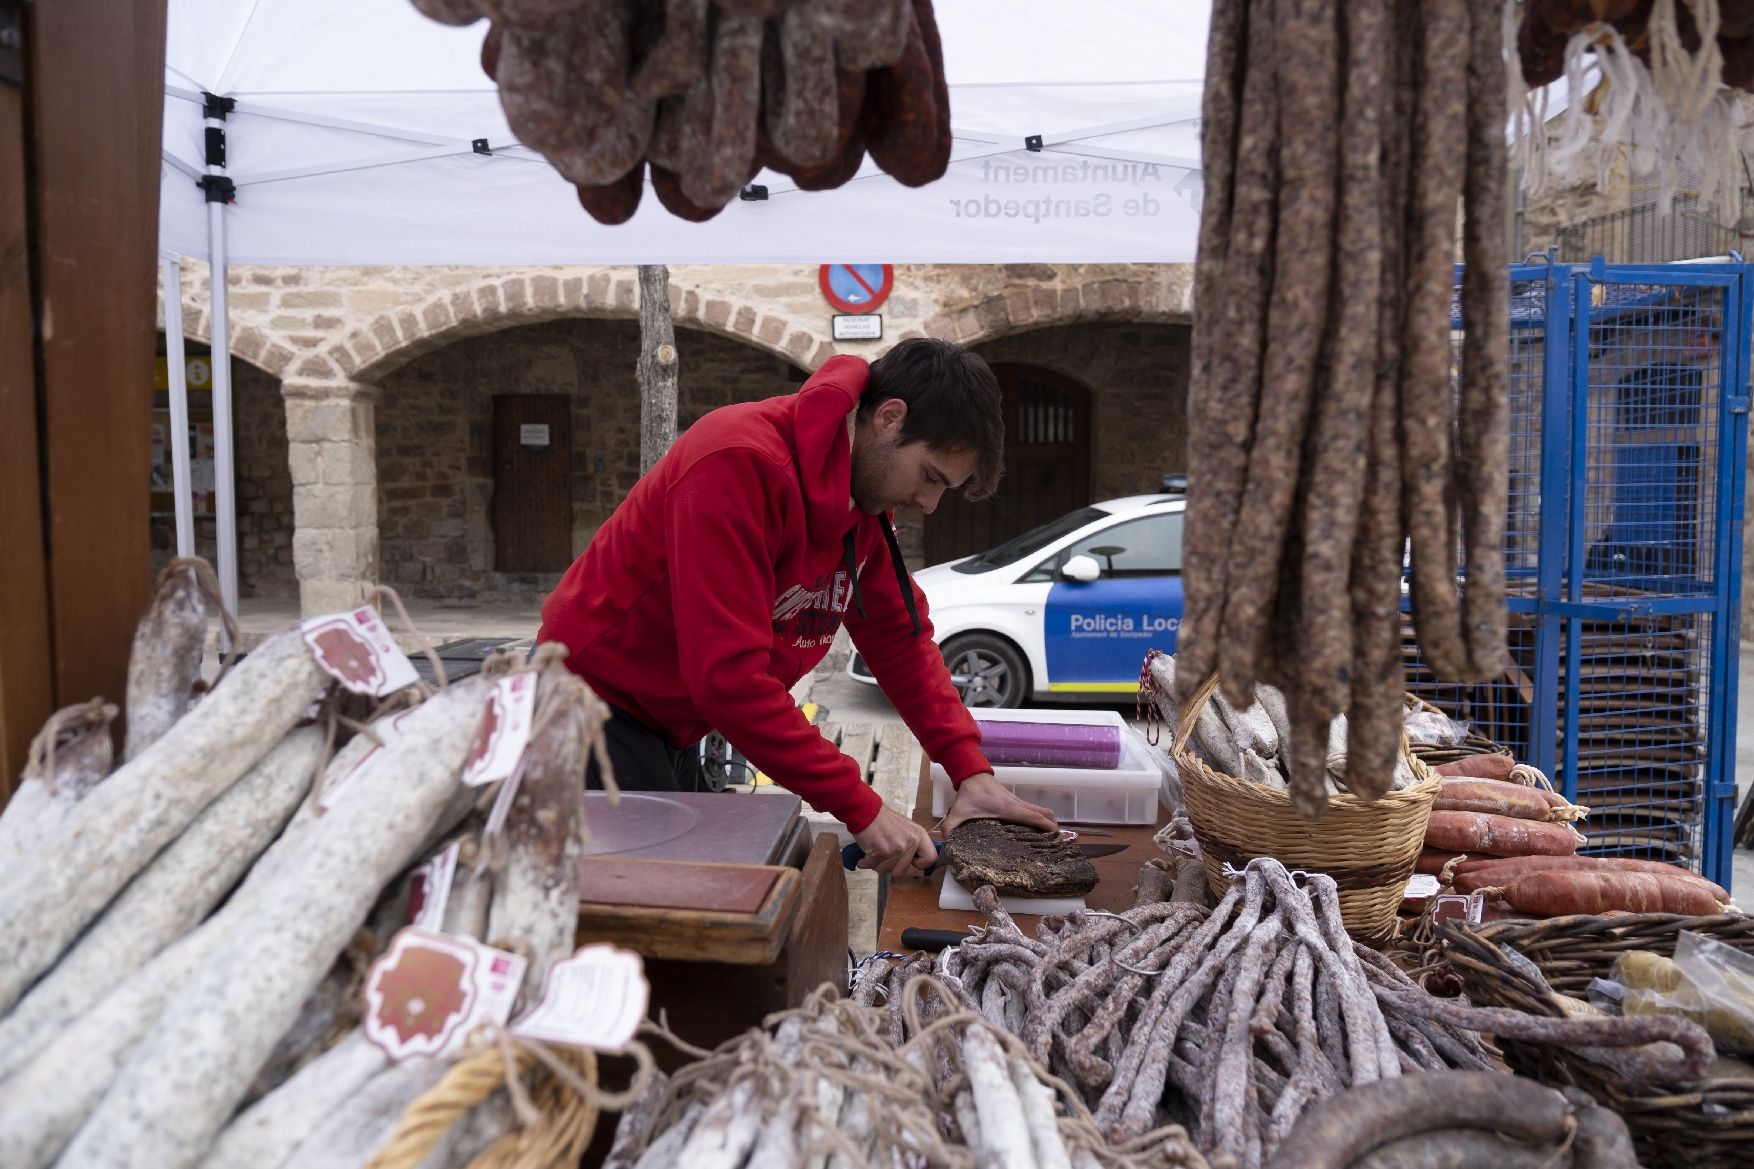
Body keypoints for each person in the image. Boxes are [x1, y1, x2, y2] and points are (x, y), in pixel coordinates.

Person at [538, 337, 1056, 876]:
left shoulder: (865, 502)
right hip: (590, 708)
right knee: (648, 907)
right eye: (929, 476)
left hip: (673, 717)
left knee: (683, 889)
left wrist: (969, 771)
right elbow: (729, 679)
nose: (929, 503)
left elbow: (899, 639)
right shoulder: (737, 461)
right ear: (889, 418)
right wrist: (862, 806)